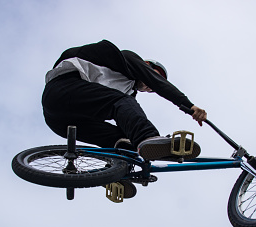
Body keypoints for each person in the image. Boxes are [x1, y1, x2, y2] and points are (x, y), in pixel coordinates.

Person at [42, 40, 207, 162]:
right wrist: (189, 107)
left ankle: (117, 171)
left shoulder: (126, 92)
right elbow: (159, 84)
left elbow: (128, 121)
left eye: (151, 90)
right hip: (62, 89)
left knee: (122, 138)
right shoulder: (127, 60)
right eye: (154, 74)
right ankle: (148, 137)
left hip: (61, 122)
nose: (151, 87)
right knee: (122, 103)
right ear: (146, 65)